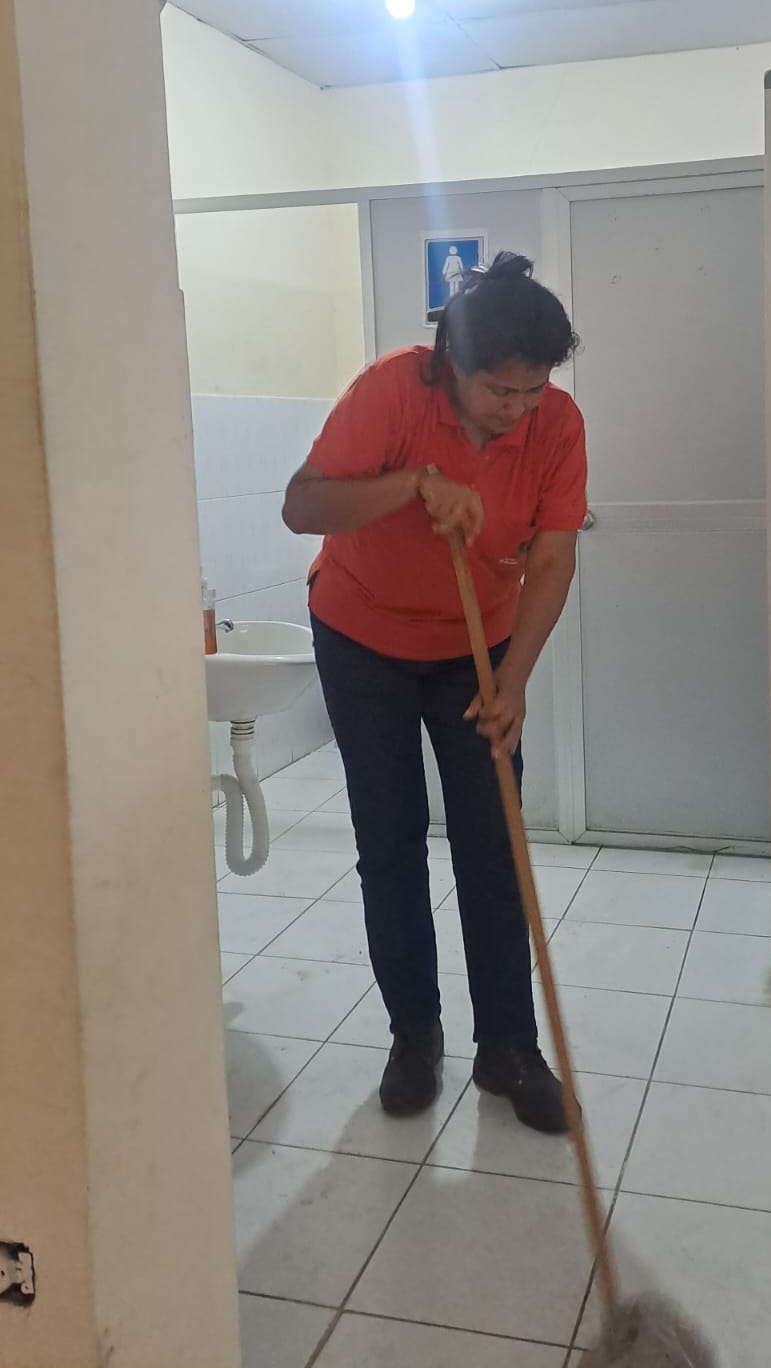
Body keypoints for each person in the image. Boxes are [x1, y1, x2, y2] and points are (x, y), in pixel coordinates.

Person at [282, 252, 585, 1134]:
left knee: (494, 845)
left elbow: (554, 558)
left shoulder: (557, 425)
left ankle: (510, 1048)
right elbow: (303, 506)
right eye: (498, 391)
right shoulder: (390, 391)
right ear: (452, 360)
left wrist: (514, 682)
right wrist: (413, 484)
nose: (516, 410)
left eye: (532, 391)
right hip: (362, 638)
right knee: (390, 841)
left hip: (476, 648)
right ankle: (414, 1036)